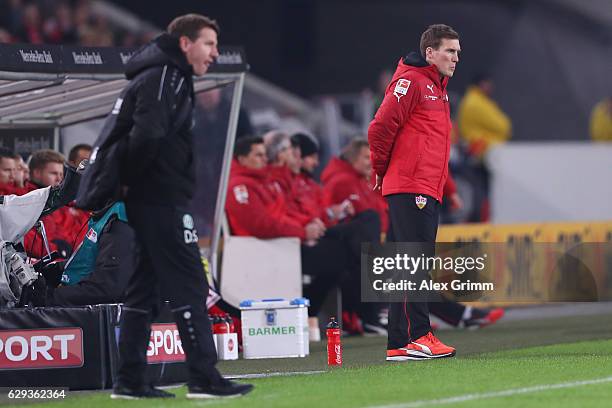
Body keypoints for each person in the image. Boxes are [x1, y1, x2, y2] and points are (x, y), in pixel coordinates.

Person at [108, 14, 252, 399]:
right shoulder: (167, 77)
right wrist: (144, 185)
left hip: (153, 199)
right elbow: (147, 135)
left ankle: (130, 379)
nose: (215, 53)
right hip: (161, 200)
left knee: (143, 290)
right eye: (209, 44)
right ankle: (203, 378)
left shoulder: (162, 75)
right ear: (185, 44)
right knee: (190, 283)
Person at [368, 24, 460, 361]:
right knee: (415, 263)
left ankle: (398, 342)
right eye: (449, 51)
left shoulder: (438, 87)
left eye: (458, 52)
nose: (456, 58)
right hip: (411, 186)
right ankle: (419, 335)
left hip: (421, 186)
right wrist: (380, 169)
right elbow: (380, 126)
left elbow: (432, 144)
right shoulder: (412, 82)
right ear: (430, 53)